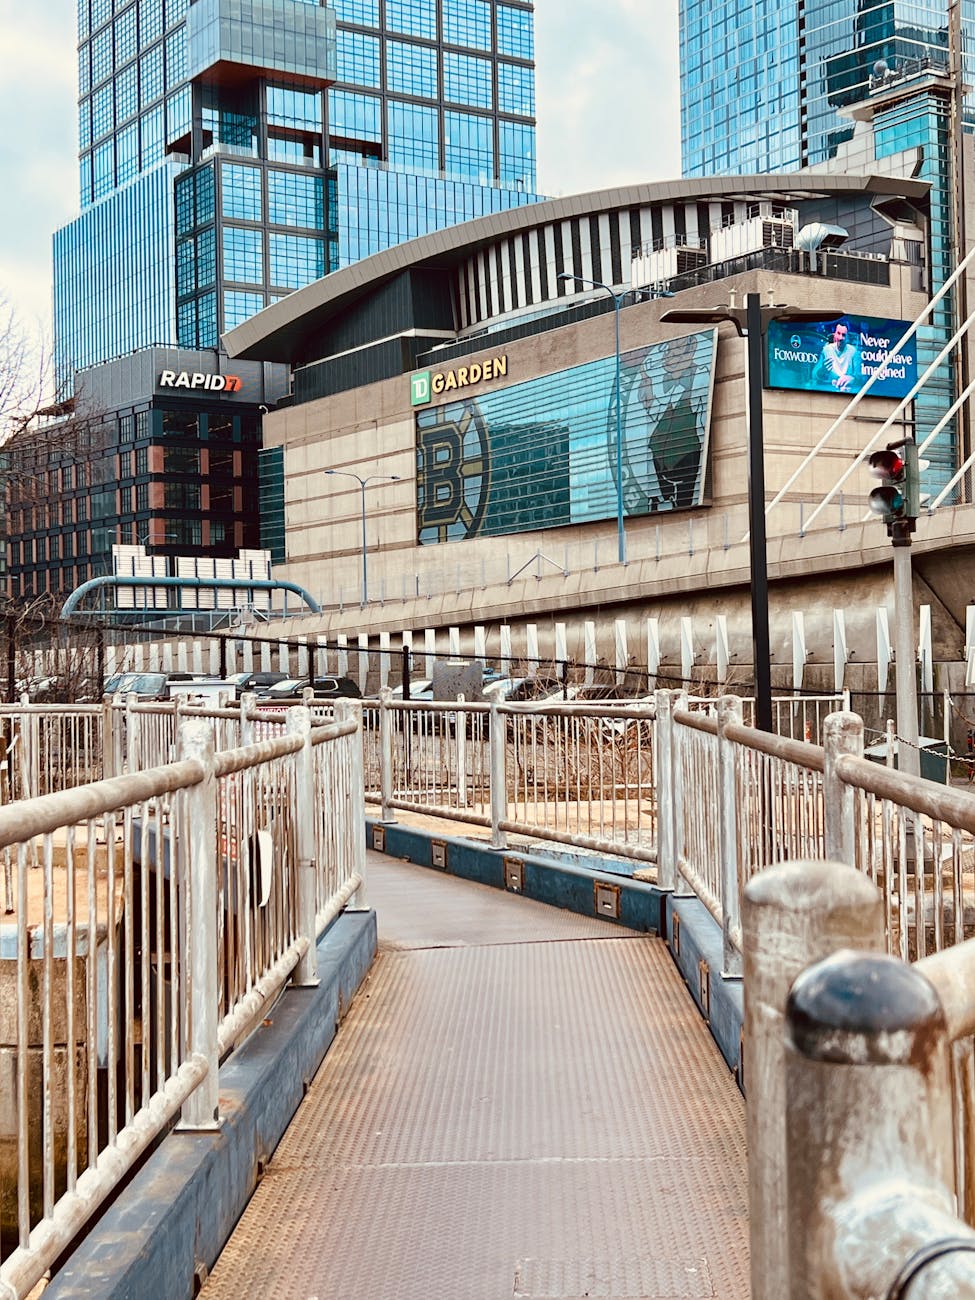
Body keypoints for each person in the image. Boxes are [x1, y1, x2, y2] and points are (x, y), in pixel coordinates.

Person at [814, 321, 860, 393]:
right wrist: (822, 370)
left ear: (848, 337)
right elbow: (814, 375)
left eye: (844, 335)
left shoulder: (854, 351)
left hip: (848, 391)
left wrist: (853, 379)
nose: (840, 338)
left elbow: (862, 378)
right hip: (829, 391)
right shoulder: (826, 349)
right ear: (834, 334)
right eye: (838, 333)